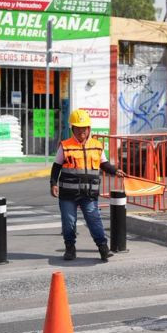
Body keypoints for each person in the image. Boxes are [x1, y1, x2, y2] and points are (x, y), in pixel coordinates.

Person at [50, 109, 125, 262]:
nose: (81, 131)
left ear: (89, 129)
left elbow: (104, 164)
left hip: (89, 193)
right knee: (69, 222)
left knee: (94, 220)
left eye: (84, 128)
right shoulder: (65, 146)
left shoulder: (97, 146)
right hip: (68, 194)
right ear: (72, 129)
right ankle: (70, 248)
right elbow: (56, 166)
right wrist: (53, 183)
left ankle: (103, 248)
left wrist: (115, 170)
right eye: (78, 128)